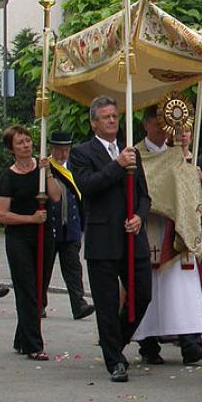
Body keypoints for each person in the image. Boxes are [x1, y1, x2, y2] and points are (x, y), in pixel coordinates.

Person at [69, 96, 152, 382]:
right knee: (105, 302)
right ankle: (114, 361)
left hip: (132, 236)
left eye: (115, 116)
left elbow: (144, 194)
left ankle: (115, 342)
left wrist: (140, 216)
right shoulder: (82, 153)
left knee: (143, 293)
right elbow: (88, 187)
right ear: (94, 122)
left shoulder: (132, 153)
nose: (112, 121)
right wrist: (117, 165)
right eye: (105, 117)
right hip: (103, 238)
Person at [132, 107, 202, 365]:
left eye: (165, 124)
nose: (161, 129)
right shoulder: (134, 154)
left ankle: (191, 344)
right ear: (146, 125)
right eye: (157, 124)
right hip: (147, 226)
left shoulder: (176, 155)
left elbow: (187, 192)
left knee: (182, 288)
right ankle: (148, 346)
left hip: (176, 226)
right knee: (149, 286)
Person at [0, 125, 61, 360]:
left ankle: (22, 337)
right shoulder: (8, 177)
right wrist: (30, 219)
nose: (25, 145)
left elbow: (55, 196)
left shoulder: (42, 169)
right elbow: (1, 215)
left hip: (44, 236)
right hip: (19, 239)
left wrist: (49, 172)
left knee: (39, 288)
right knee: (26, 290)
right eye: (20, 143)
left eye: (27, 141)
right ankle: (34, 345)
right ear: (12, 149)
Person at [45, 131, 95, 320]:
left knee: (73, 268)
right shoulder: (45, 168)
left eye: (66, 149)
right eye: (59, 149)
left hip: (71, 228)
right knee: (45, 268)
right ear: (52, 149)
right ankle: (39, 304)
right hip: (51, 227)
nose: (63, 154)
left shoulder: (75, 168)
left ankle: (79, 304)